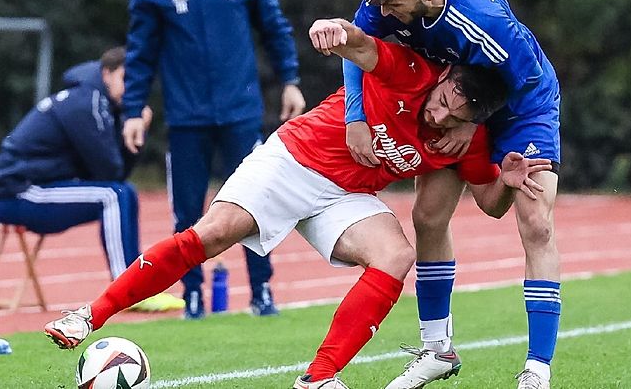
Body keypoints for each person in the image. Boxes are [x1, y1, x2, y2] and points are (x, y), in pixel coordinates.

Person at [44, 20, 552, 389]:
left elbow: (489, 203)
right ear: (444, 77)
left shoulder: (467, 140)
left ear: (473, 120)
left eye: (452, 116)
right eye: (442, 100)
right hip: (293, 159)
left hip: (346, 193)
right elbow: (364, 44)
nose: (437, 114)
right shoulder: (412, 71)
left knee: (396, 256)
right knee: (211, 235)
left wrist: (507, 181)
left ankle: (318, 378)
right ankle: (90, 315)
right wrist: (337, 29)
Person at [317, 0, 562, 389]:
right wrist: (356, 116)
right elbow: (356, 46)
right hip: (452, 102)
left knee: (535, 220)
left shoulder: (485, 23)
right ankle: (437, 350)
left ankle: (537, 370)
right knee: (428, 216)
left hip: (520, 104)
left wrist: (473, 122)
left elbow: (520, 81)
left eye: (395, 6)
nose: (385, 13)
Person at [119, 0, 306, 319]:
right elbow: (139, 55)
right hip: (186, 120)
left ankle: (262, 293)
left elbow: (274, 29)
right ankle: (193, 295)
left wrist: (290, 81)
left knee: (256, 205)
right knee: (188, 213)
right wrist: (133, 110)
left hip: (241, 114)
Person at [0, 47, 183, 313]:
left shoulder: (100, 103)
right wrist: (134, 127)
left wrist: (137, 132)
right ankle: (129, 289)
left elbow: (114, 173)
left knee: (122, 192)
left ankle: (136, 285)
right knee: (114, 195)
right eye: (126, 78)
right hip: (19, 192)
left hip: (38, 186)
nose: (132, 87)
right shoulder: (87, 103)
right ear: (106, 74)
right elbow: (109, 170)